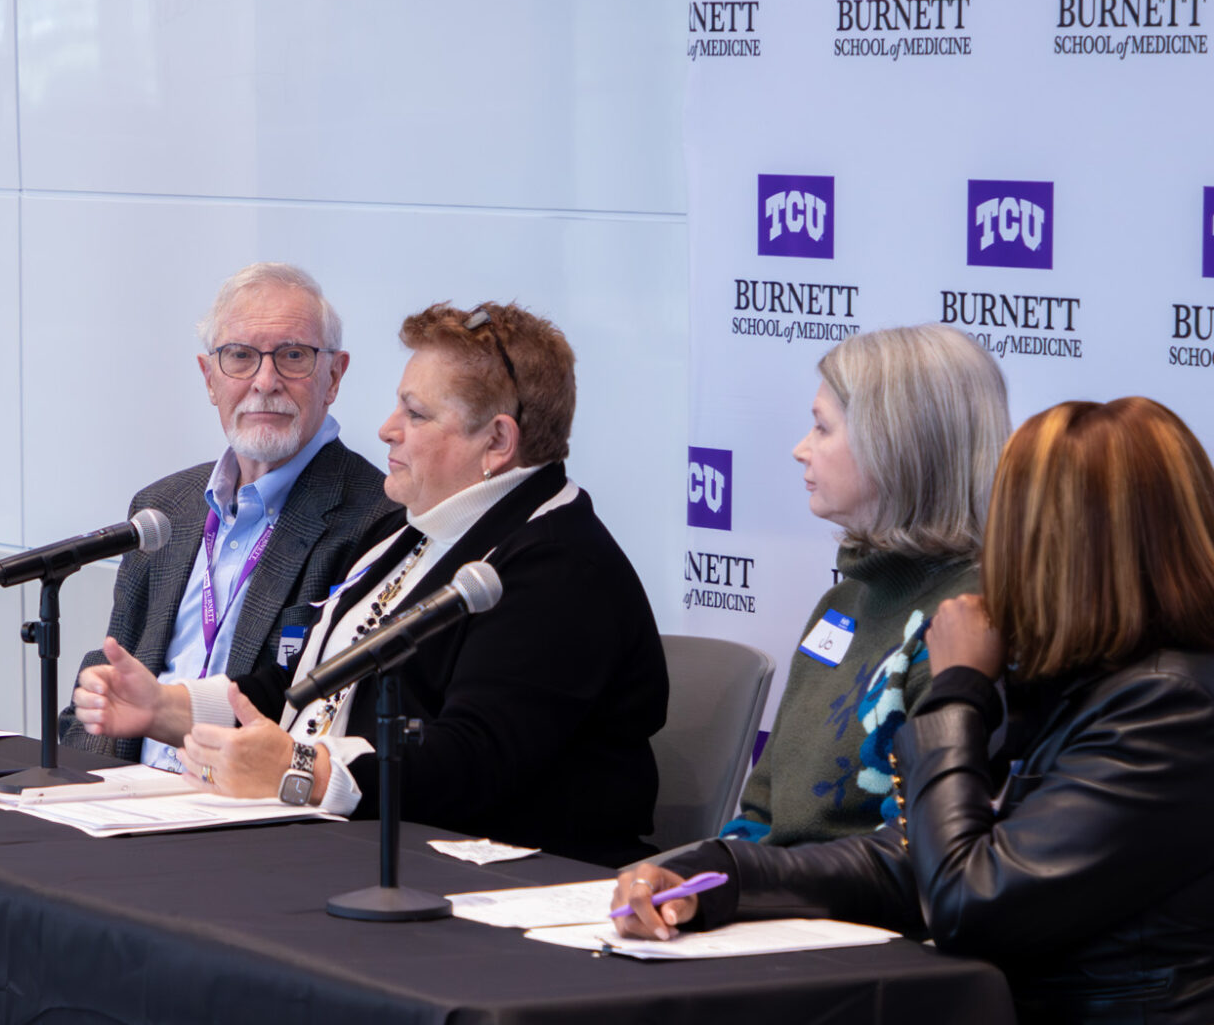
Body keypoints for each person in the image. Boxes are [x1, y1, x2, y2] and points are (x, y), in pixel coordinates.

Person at [615, 397, 1214, 1024]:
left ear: (1062, 547)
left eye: (1012, 528)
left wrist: (956, 689)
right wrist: (720, 874)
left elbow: (965, 900)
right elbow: (909, 859)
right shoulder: (1080, 675)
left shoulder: (1168, 708)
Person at [76, 301, 667, 865]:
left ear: (497, 441)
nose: (387, 429)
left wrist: (301, 773)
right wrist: (165, 707)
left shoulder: (559, 571)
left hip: (496, 890)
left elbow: (471, 764)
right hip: (352, 853)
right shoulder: (416, 533)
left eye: (416, 413)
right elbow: (301, 685)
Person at [58, 263, 395, 771]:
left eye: (293, 356)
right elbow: (113, 684)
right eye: (240, 356)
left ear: (334, 376)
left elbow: (319, 716)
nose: (265, 381)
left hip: (245, 820)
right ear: (209, 377)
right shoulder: (164, 507)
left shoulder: (377, 518)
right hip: (126, 805)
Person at [724, 324, 1009, 846]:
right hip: (771, 905)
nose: (800, 450)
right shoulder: (843, 602)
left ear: (895, 444)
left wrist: (743, 882)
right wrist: (703, 876)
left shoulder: (971, 621)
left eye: (822, 428)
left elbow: (915, 849)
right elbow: (761, 810)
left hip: (858, 913)